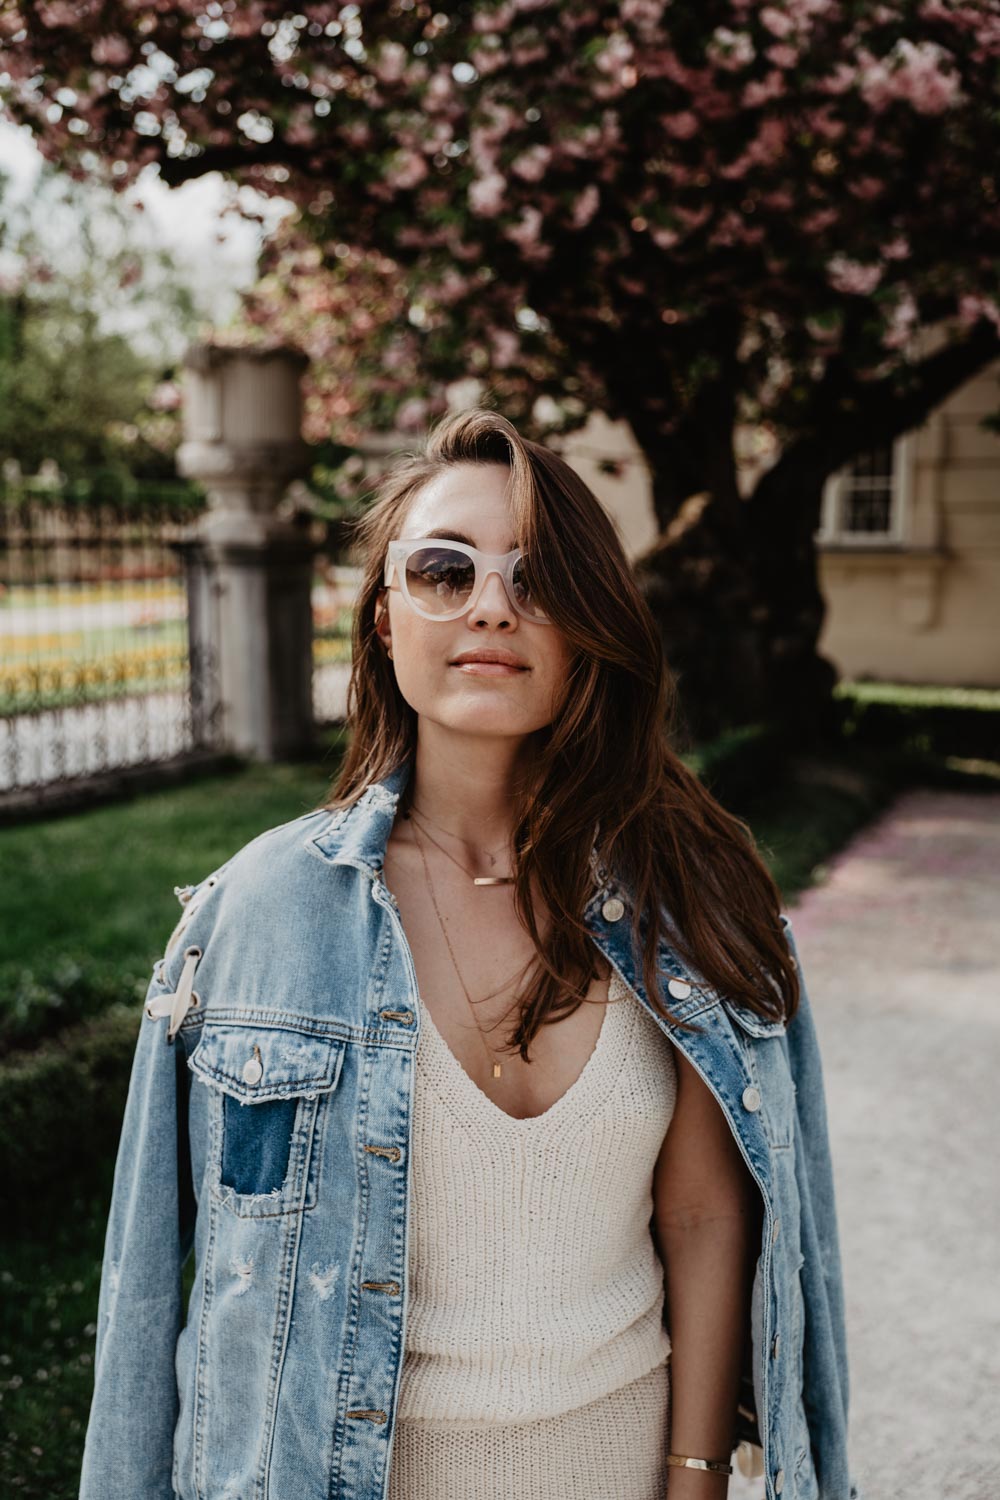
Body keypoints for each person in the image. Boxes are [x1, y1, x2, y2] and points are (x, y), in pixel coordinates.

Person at [79, 407, 862, 1500]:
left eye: (538, 579)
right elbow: (149, 1282)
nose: (492, 604)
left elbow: (704, 1216)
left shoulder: (686, 900)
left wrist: (695, 1478)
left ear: (590, 626)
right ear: (385, 622)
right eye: (443, 570)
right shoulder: (260, 912)